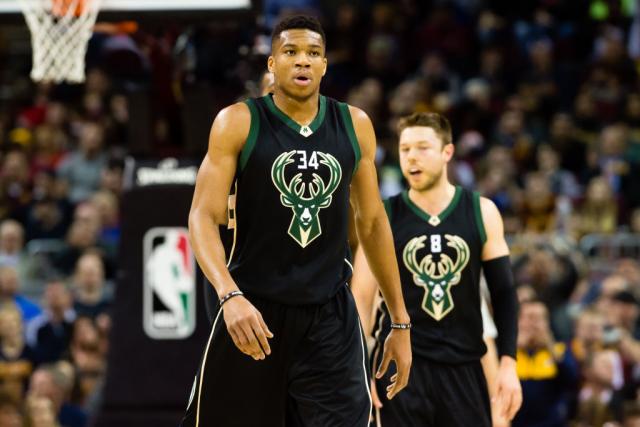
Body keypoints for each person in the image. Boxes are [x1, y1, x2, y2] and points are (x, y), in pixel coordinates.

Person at [181, 15, 411, 427]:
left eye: (313, 53)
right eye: (291, 52)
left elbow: (373, 222)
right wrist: (229, 296)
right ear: (272, 64)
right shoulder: (237, 122)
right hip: (254, 308)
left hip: (329, 316)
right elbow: (202, 216)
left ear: (324, 65)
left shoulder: (354, 125)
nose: (303, 61)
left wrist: (399, 320)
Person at [352, 111, 521, 426]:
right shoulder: (384, 215)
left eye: (423, 148)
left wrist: (509, 364)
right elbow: (361, 300)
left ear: (447, 152)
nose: (412, 157)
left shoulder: (482, 211)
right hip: (399, 366)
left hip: (464, 366)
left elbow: (504, 294)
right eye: (405, 149)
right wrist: (359, 368)